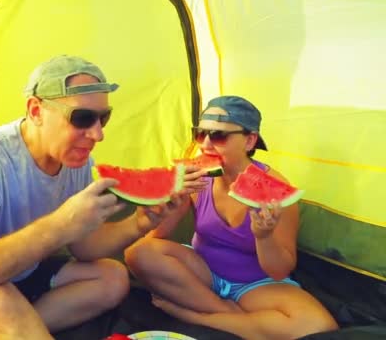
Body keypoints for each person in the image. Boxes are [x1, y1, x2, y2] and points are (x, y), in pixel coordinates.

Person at [0, 55, 192, 340]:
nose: (98, 134)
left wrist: (139, 223)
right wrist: (59, 226)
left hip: (19, 272)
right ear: (36, 111)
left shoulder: (77, 162)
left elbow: (85, 246)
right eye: (83, 118)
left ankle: (1, 329)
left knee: (112, 278)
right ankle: (2, 324)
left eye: (104, 117)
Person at [124, 95, 339, 340]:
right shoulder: (198, 176)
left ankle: (195, 316)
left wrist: (264, 236)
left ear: (249, 140)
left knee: (317, 327)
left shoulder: (275, 189)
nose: (205, 144)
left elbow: (279, 271)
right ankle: (230, 315)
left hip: (256, 285)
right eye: (200, 133)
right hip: (201, 272)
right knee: (137, 252)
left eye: (218, 136)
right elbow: (155, 239)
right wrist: (175, 202)